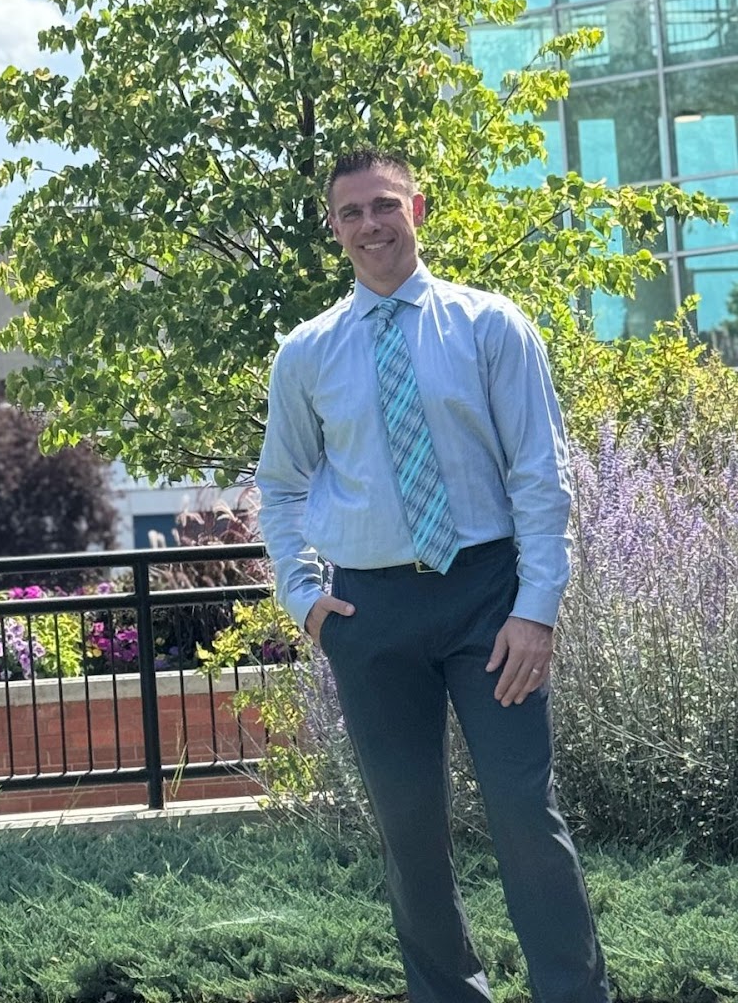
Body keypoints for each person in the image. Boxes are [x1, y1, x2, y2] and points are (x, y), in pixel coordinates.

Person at [255, 149, 608, 1003]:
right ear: (333, 228)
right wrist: (306, 600)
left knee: (525, 814)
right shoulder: (307, 354)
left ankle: (573, 993)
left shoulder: (491, 326)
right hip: (368, 611)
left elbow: (539, 475)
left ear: (418, 208)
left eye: (385, 205)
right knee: (409, 829)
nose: (371, 225)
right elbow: (279, 485)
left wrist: (537, 611)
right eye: (351, 213)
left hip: (489, 603)